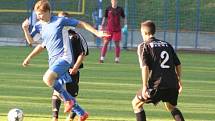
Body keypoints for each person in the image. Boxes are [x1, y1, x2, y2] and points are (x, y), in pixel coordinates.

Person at [22, 1, 108, 121]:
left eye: (41, 14)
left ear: (48, 12)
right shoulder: (39, 25)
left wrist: (97, 32)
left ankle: (69, 101)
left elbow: (81, 24)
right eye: (37, 14)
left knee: (47, 78)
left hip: (64, 58)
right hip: (53, 61)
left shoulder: (60, 21)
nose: (38, 16)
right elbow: (31, 41)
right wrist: (25, 29)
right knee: (57, 92)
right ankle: (81, 113)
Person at [131, 20, 185, 121]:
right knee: (171, 107)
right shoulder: (167, 44)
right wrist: (179, 80)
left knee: (136, 104)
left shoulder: (144, 46)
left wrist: (144, 87)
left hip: (157, 85)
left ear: (145, 33)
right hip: (172, 84)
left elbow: (145, 67)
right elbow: (178, 64)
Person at [51, 11, 89, 121]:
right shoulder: (56, 35)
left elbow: (82, 53)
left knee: (72, 95)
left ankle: (72, 117)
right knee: (57, 91)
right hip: (60, 68)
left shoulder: (75, 36)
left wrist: (76, 67)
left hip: (73, 70)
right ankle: (55, 117)